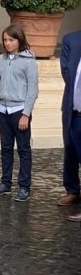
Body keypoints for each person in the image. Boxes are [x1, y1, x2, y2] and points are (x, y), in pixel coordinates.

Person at [0, 25, 38, 202]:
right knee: (5, 148)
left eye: (11, 39)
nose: (8, 43)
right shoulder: (1, 60)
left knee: (24, 149)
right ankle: (5, 183)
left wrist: (26, 113)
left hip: (19, 111)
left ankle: (24, 186)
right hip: (3, 110)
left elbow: (33, 89)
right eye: (5, 40)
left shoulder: (28, 61)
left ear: (19, 40)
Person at [59, 30, 81, 219]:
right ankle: (73, 189)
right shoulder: (71, 39)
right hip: (72, 108)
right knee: (70, 149)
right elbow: (66, 72)